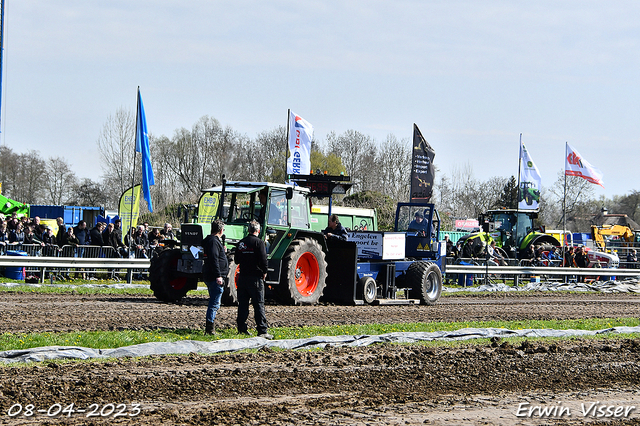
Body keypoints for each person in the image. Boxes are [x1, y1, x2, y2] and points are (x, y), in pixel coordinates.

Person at [234, 220, 272, 339]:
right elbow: (263, 259)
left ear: (248, 230)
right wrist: (265, 271)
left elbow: (236, 260)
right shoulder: (259, 243)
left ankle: (241, 328)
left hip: (243, 277)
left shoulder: (241, 243)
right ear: (258, 230)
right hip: (255, 278)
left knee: (243, 305)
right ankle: (262, 330)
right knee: (258, 304)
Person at [202, 219, 229, 335]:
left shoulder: (212, 241)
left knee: (214, 302)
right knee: (214, 303)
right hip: (214, 277)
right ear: (221, 230)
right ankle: (210, 328)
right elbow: (214, 259)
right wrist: (218, 275)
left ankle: (210, 326)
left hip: (211, 275)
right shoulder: (213, 241)